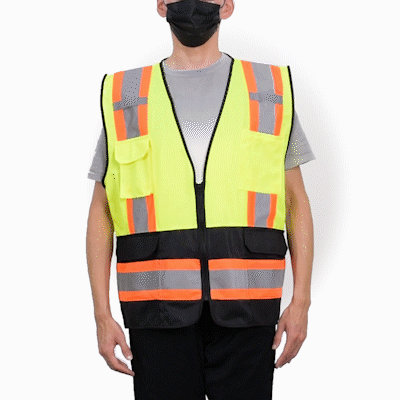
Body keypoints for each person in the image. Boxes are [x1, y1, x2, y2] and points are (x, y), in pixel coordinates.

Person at [86, 0, 316, 399]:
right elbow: (101, 211)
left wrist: (302, 302)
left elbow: (296, 202)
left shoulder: (268, 90)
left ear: (227, 5)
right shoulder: (126, 95)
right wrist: (101, 315)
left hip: (248, 309)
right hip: (155, 311)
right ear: (162, 5)